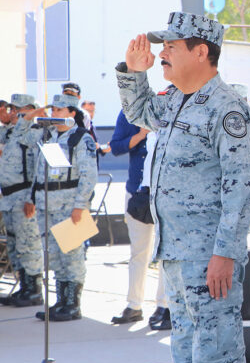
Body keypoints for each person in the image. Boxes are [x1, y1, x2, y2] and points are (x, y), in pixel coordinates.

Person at [116, 12, 250, 363]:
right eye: (162, 46)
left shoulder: (225, 108)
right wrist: (135, 72)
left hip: (209, 254)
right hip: (176, 251)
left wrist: (225, 253)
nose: (162, 53)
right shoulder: (175, 98)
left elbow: (242, 186)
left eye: (171, 46)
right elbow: (139, 112)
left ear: (201, 53)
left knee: (215, 350)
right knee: (184, 344)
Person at [19, 94, 98, 322]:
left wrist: (80, 206)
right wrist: (33, 115)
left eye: (60, 110)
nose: (55, 113)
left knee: (72, 256)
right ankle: (61, 302)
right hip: (46, 204)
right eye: (53, 109)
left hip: (69, 205)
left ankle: (73, 305)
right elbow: (22, 137)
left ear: (72, 113)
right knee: (54, 256)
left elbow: (89, 175)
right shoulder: (47, 135)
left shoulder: (81, 139)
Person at [108, 110, 169, 329]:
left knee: (165, 253)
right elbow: (115, 147)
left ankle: (164, 305)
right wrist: (141, 134)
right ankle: (134, 305)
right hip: (137, 192)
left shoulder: (170, 109)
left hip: (165, 195)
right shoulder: (129, 114)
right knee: (138, 253)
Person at [0, 94, 44, 307]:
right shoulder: (8, 133)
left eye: (18, 108)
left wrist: (32, 197)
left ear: (29, 109)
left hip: (23, 195)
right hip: (8, 197)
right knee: (15, 245)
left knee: (29, 245)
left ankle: (34, 290)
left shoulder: (34, 134)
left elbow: (38, 168)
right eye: (11, 108)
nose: (13, 112)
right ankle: (24, 287)